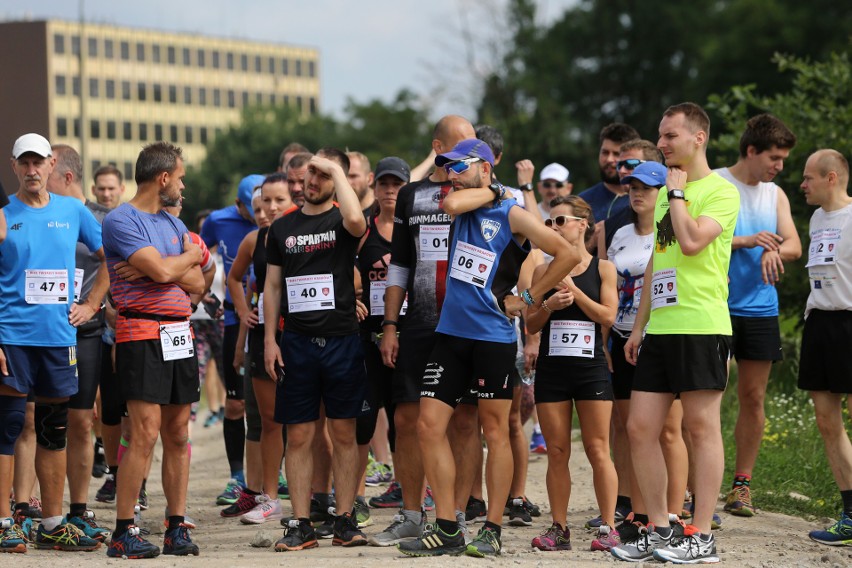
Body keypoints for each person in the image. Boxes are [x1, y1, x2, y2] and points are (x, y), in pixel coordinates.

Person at [398, 138, 578, 558]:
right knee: (428, 426)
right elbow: (451, 207)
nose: (451, 175)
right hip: (451, 334)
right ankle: (446, 526)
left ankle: (493, 528)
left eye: (459, 167)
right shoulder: (461, 198)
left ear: (484, 166)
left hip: (492, 337)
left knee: (495, 433)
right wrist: (489, 187)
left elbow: (566, 253)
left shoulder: (511, 212)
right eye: (447, 168)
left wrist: (530, 298)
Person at [611, 103, 739, 564]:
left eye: (670, 136)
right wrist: (638, 326)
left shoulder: (720, 192)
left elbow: (690, 242)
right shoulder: (669, 190)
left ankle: (701, 535)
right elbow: (657, 262)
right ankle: (660, 529)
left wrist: (680, 196)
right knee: (640, 427)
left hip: (702, 325)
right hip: (661, 328)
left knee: (700, 428)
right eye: (661, 136)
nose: (661, 144)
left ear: (698, 138)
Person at [371, 115, 476, 547]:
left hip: (466, 324)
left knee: (465, 423)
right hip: (418, 324)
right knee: (407, 417)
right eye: (460, 146)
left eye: (473, 148)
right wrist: (390, 325)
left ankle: (459, 516)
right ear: (437, 146)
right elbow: (399, 264)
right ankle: (412, 514)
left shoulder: (478, 192)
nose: (468, 155)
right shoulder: (412, 195)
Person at [0, 133, 104, 553]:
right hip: (13, 337)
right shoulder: (4, 214)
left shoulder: (73, 210)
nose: (30, 171)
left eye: (37, 162)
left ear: (50, 165)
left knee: (52, 430)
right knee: (8, 427)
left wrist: (93, 304)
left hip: (60, 339)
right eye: (23, 163)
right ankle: (6, 521)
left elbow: (108, 255)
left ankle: (52, 523)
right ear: (14, 167)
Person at [102, 141, 205, 558]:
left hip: (180, 332)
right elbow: (169, 270)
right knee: (143, 433)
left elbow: (197, 284)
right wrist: (185, 259)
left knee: (178, 434)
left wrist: (170, 268)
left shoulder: (174, 224)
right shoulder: (119, 220)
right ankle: (123, 530)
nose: (182, 185)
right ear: (163, 179)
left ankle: (175, 527)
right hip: (140, 332)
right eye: (180, 177)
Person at [264, 148, 369, 551]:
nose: (313, 180)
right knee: (300, 435)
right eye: (310, 172)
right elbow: (272, 288)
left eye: (323, 175)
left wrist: (335, 172)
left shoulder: (343, 221)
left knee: (343, 432)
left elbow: (358, 221)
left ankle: (345, 520)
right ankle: (301, 523)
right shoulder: (282, 228)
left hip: (342, 340)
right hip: (298, 343)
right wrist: (272, 340)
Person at [716, 114, 800, 517]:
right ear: (751, 151)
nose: (780, 166)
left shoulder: (776, 195)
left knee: (753, 397)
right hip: (715, 306)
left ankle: (741, 486)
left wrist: (773, 250)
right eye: (775, 157)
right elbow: (692, 239)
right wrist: (746, 241)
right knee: (707, 396)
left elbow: (794, 245)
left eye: (783, 159)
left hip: (760, 309)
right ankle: (695, 485)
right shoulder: (715, 183)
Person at [525, 195, 618, 552]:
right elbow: (531, 321)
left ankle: (608, 527)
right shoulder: (542, 270)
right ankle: (559, 527)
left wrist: (576, 294)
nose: (553, 228)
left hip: (590, 368)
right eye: (549, 223)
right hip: (553, 369)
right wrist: (548, 304)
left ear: (583, 224)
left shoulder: (603, 269)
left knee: (598, 448)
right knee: (558, 450)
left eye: (560, 220)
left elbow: (608, 316)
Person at [602, 161, 689, 546]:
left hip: (662, 335)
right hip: (624, 336)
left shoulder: (671, 228)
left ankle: (673, 513)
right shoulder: (619, 233)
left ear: (661, 193)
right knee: (630, 428)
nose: (637, 193)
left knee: (668, 430)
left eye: (646, 187)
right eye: (632, 187)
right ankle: (639, 514)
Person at [45, 144, 112, 543]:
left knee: (81, 423)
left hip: (85, 333)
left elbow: (113, 260)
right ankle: (31, 507)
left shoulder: (99, 217)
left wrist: (92, 303)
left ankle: (79, 509)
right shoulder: (38, 212)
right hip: (40, 335)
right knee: (37, 424)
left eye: (49, 171)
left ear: (66, 176)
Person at [224, 174, 294, 524]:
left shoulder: (306, 232)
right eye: (265, 201)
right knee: (268, 421)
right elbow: (235, 278)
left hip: (304, 334)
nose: (271, 207)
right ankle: (269, 496)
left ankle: (320, 495)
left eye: (278, 200)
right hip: (265, 334)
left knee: (311, 423)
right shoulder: (256, 239)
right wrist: (242, 312)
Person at [797, 150, 852, 546]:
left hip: (850, 321)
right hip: (819, 323)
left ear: (831, 178)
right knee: (826, 420)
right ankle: (849, 513)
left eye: (808, 178)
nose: (802, 185)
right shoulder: (817, 218)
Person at [354, 156, 410, 528]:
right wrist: (351, 297)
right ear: (375, 188)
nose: (390, 191)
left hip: (409, 334)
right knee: (363, 418)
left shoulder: (415, 229)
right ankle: (355, 496)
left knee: (405, 419)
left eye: (397, 185)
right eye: (384, 184)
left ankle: (406, 488)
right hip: (369, 335)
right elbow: (341, 270)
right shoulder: (363, 232)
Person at [200, 173, 263, 505]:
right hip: (234, 320)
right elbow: (198, 253)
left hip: (271, 319)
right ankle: (237, 476)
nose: (261, 211)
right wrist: (202, 292)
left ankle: (271, 473)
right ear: (239, 204)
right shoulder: (218, 220)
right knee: (236, 404)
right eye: (253, 206)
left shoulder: (279, 222)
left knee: (271, 405)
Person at [578, 123, 640, 225]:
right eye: (605, 152)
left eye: (617, 154)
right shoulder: (581, 203)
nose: (609, 159)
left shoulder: (649, 200)